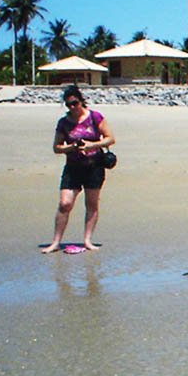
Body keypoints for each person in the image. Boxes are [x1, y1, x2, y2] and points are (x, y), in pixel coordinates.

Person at [41, 85, 115, 253]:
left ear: (81, 101)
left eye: (75, 103)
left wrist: (92, 145)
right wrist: (72, 147)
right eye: (68, 105)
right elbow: (57, 147)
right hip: (72, 168)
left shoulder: (95, 117)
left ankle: (87, 240)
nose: (72, 107)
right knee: (65, 203)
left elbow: (110, 138)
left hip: (94, 166)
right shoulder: (64, 123)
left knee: (91, 204)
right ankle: (55, 242)